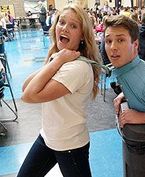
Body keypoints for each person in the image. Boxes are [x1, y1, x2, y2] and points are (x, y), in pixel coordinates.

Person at [17, 3, 101, 177]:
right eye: (62, 22)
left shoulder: (77, 67)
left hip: (70, 145)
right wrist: (57, 59)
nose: (65, 28)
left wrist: (57, 61)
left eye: (73, 25)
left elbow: (28, 96)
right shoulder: (60, 59)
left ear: (82, 36)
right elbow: (26, 86)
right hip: (48, 138)